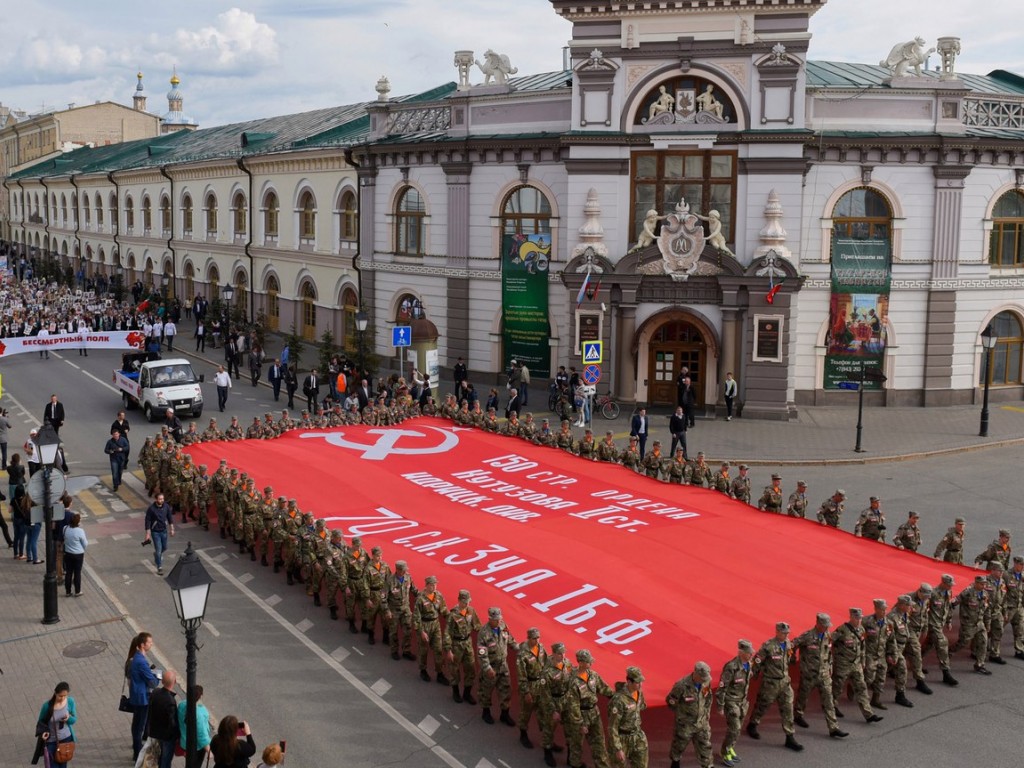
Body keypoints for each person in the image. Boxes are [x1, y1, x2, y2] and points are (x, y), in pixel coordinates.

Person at [746, 622, 803, 751]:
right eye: (783, 633)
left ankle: (790, 737)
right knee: (762, 706)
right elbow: (757, 662)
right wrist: (751, 677)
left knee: (788, 709)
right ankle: (753, 724)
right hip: (770, 683)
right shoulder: (768, 646)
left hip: (784, 682)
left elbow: (791, 657)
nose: (786, 635)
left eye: (787, 633)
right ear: (777, 632)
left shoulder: (788, 644)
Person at [792, 613, 847, 738]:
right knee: (802, 697)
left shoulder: (828, 635)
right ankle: (798, 715)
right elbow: (793, 644)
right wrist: (792, 659)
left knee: (828, 700)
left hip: (824, 675)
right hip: (809, 674)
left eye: (828, 626)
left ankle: (833, 728)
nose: (827, 628)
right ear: (818, 624)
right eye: (825, 626)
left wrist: (830, 667)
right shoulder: (808, 636)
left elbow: (828, 653)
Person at [715, 640, 754, 767]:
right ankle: (725, 752)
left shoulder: (748, 664)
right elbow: (722, 688)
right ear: (741, 653)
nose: (751, 655)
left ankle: (730, 747)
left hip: (742, 702)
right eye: (748, 653)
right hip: (731, 702)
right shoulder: (731, 667)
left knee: (738, 729)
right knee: (734, 728)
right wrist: (720, 706)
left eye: (751, 653)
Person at [666, 662, 712, 768]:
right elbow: (671, 701)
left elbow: (708, 697)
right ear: (695, 674)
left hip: (701, 723)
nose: (704, 680)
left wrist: (706, 712)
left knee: (705, 747)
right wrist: (681, 715)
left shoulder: (707, 681)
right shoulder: (681, 685)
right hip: (685, 725)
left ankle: (708, 765)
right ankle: (675, 762)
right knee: (679, 746)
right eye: (702, 677)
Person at [127, 632, 160, 761]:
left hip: (137, 696)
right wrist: (158, 678)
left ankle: (137, 747)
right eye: (149, 642)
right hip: (142, 699)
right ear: (142, 645)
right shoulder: (141, 661)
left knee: (137, 724)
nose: (151, 644)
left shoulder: (137, 657)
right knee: (138, 727)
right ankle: (137, 752)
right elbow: (152, 682)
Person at [608, 666, 648, 768]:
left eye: (641, 682)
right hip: (622, 739)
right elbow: (612, 727)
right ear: (629, 682)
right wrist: (618, 748)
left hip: (637, 735)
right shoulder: (618, 700)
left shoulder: (639, 693)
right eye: (638, 682)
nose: (640, 685)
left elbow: (642, 706)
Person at [34, 681, 77, 768]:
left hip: (66, 739)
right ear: (55, 693)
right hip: (51, 741)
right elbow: (40, 722)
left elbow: (74, 720)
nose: (62, 698)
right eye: (60, 696)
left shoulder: (70, 701)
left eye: (65, 696)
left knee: (63, 763)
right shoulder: (47, 706)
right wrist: (43, 733)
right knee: (52, 765)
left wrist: (69, 719)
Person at [147, 668, 179, 768]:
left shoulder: (155, 692)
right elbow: (172, 723)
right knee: (165, 759)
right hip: (166, 736)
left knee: (157, 756)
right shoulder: (170, 701)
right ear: (174, 682)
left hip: (154, 732)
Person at [177, 684, 214, 765]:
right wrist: (209, 751)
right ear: (200, 696)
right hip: (196, 747)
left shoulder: (182, 705)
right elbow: (201, 735)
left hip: (184, 742)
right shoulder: (199, 715)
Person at [144, 493, 175, 575]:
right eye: (160, 499)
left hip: (164, 531)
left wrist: (172, 528)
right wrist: (148, 534)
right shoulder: (151, 509)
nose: (162, 500)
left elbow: (169, 517)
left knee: (164, 547)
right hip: (155, 532)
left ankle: (157, 555)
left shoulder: (166, 506)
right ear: (156, 499)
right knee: (158, 550)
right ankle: (159, 567)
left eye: (162, 499)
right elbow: (147, 521)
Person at [62, 512, 87, 597]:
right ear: (78, 522)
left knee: (68, 572)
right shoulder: (80, 531)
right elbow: (85, 543)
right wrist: (82, 549)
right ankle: (77, 591)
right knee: (77, 573)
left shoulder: (65, 528)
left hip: (68, 553)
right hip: (78, 554)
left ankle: (68, 592)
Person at [0, 406, 11, 470]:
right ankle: (4, 466)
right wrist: (6, 418)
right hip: (3, 438)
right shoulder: (4, 419)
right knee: (4, 452)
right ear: (1, 411)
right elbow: (10, 426)